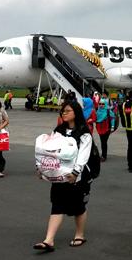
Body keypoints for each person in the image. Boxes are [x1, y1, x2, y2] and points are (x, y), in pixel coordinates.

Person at [33, 101, 92, 251]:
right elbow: (48, 151)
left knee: (78, 206)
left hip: (77, 177)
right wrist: (41, 168)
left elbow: (83, 155)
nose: (63, 113)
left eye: (67, 111)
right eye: (63, 111)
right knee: (57, 205)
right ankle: (49, 240)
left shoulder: (84, 133)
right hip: (58, 177)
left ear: (76, 112)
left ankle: (80, 235)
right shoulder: (58, 130)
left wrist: (75, 172)